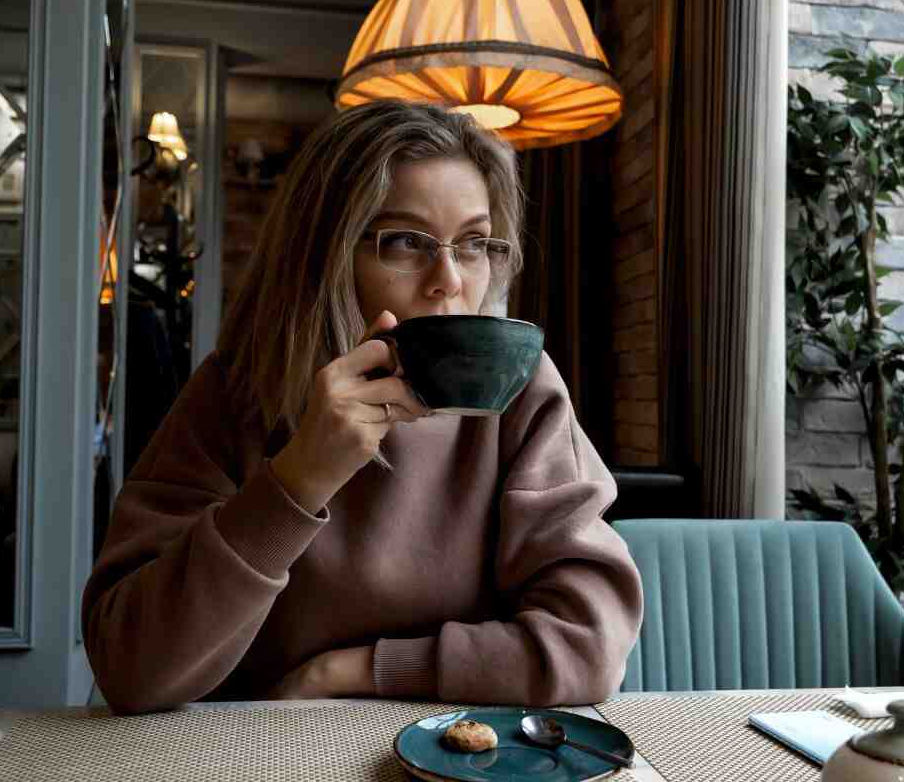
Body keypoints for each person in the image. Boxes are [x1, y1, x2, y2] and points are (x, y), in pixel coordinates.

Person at [82, 100, 644, 715]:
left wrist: (354, 671)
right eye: (406, 241)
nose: (449, 280)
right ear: (325, 255)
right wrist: (298, 481)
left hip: (461, 755)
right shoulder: (234, 393)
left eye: (474, 244)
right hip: (257, 753)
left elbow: (589, 647)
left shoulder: (521, 391)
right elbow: (129, 671)